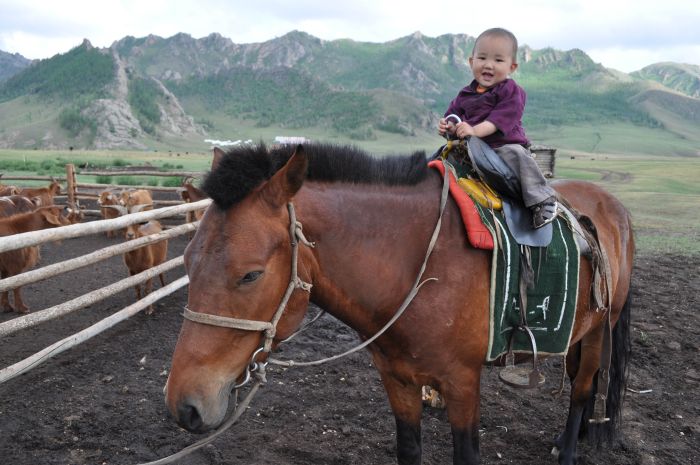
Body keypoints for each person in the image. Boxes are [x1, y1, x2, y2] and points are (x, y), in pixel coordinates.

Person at [438, 27, 557, 229]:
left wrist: (474, 131)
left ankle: (542, 199)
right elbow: (454, 116)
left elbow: (498, 120)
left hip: (501, 146)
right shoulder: (465, 94)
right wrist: (448, 126)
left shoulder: (511, 91)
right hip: (470, 149)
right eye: (482, 58)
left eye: (498, 60)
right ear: (471, 61)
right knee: (438, 160)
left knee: (517, 156)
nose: (489, 65)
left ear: (512, 67)